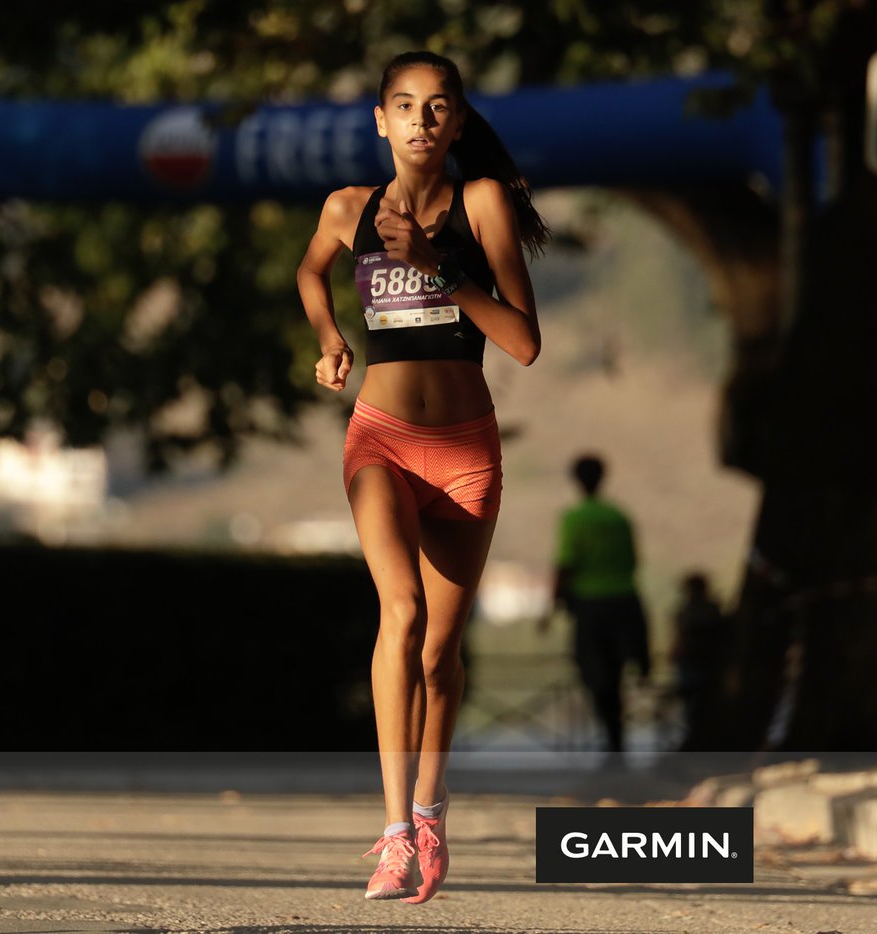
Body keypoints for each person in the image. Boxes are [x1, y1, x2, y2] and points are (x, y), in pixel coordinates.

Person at [297, 51, 546, 905]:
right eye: (404, 106)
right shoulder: (347, 208)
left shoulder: (483, 205)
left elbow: (523, 341)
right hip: (382, 439)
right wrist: (330, 336)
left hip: (467, 451)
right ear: (380, 120)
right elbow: (309, 269)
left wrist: (441, 266)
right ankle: (395, 833)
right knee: (399, 613)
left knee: (440, 654)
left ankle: (431, 812)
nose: (421, 121)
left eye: (438, 107)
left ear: (459, 121)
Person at [540, 454, 650, 762]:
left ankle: (613, 742)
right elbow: (634, 561)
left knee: (596, 674)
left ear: (576, 480)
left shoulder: (574, 519)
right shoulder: (619, 517)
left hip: (591, 608)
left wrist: (552, 607)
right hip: (625, 603)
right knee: (616, 673)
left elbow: (565, 565)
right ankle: (617, 741)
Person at [669, 571, 727, 749]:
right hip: (705, 667)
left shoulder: (688, 611)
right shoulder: (712, 611)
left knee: (694, 706)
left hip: (695, 666)